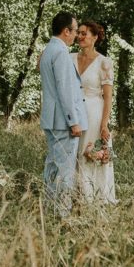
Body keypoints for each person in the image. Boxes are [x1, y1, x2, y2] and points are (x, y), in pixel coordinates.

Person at [39, 12, 88, 217]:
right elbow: (64, 90)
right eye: (75, 31)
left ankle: (49, 209)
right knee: (65, 170)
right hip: (62, 121)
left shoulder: (47, 50)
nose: (77, 35)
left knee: (52, 166)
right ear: (66, 31)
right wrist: (73, 121)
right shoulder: (60, 52)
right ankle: (62, 214)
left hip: (51, 118)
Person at [72, 21, 117, 204]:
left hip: (94, 113)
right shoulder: (70, 58)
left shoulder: (104, 62)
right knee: (75, 154)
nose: (80, 37)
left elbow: (107, 97)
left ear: (95, 37)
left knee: (91, 153)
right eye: (79, 33)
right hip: (73, 113)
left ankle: (96, 198)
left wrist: (104, 124)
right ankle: (77, 197)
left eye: (84, 34)